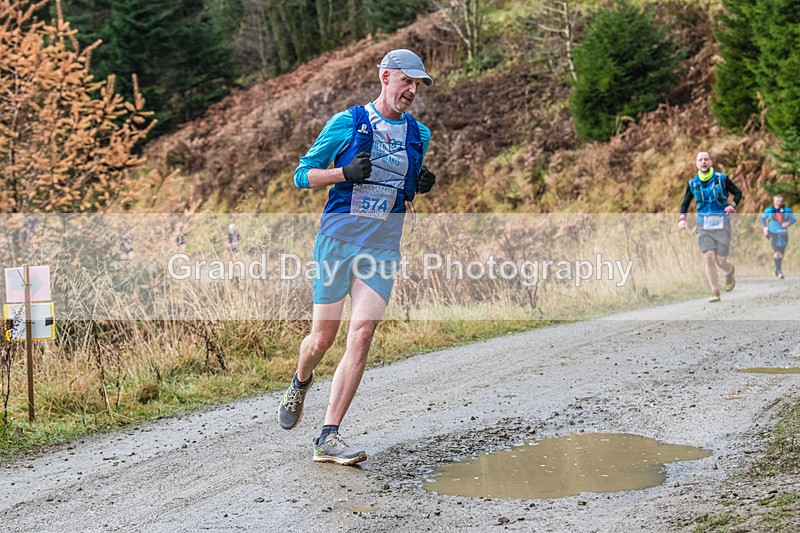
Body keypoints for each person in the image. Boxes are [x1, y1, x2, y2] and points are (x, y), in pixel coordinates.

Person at [277, 49, 436, 466]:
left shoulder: (420, 135)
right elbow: (302, 174)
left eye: (418, 84)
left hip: (383, 246)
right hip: (338, 241)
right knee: (320, 341)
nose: (413, 90)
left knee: (362, 333)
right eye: (407, 81)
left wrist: (419, 182)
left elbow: (404, 185)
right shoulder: (349, 122)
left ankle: (328, 435)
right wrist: (343, 174)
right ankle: (301, 378)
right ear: (385, 77)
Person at [678, 151, 742, 302]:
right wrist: (682, 217)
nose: (703, 162)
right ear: (697, 163)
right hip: (703, 225)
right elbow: (685, 203)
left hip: (722, 224)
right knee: (708, 257)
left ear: (711, 162)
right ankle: (714, 291)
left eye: (706, 159)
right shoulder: (693, 183)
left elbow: (738, 193)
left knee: (721, 261)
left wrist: (732, 205)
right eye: (700, 160)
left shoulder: (722, 179)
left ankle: (729, 270)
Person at [761, 194, 796, 278]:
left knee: (781, 254)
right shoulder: (769, 210)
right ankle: (779, 271)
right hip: (773, 233)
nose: (779, 203)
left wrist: (788, 223)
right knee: (777, 252)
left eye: (780, 201)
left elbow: (793, 219)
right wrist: (765, 227)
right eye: (777, 201)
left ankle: (777, 269)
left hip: (783, 234)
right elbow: (762, 218)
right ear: (774, 201)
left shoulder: (787, 210)